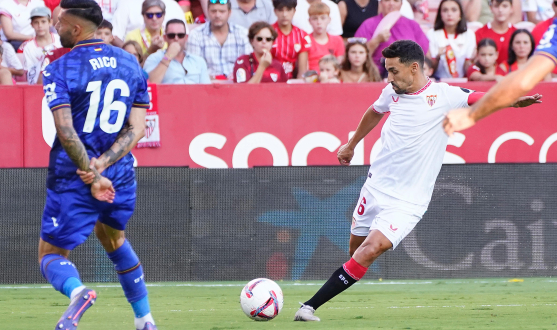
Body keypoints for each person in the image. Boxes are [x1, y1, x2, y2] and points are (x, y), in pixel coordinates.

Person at [293, 40, 541, 322]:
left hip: (409, 201)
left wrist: (513, 101)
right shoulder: (392, 91)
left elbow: (481, 97)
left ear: (414, 68)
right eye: (387, 71)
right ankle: (334, 285)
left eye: (394, 71)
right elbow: (375, 112)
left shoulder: (444, 95)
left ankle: (308, 307)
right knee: (356, 251)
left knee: (371, 250)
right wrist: (351, 145)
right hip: (375, 188)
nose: (390, 78)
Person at [40, 1, 157, 329]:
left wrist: (91, 173)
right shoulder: (132, 64)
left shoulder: (60, 68)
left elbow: (66, 131)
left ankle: (78, 293)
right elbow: (136, 129)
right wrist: (104, 165)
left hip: (74, 176)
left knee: (49, 255)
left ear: (76, 29)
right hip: (119, 173)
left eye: (61, 22)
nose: (56, 27)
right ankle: (145, 320)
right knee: (114, 239)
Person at [354, 0, 429, 76]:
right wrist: (376, 41)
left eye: (396, 1)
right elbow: (356, 54)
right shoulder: (369, 24)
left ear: (401, 4)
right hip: (376, 74)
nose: (391, 3)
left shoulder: (412, 25)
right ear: (381, 3)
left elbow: (425, 54)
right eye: (387, 0)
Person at [187, 0, 252, 79]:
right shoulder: (196, 35)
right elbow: (194, 69)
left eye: (222, 11)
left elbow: (249, 65)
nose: (217, 15)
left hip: (237, 83)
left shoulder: (242, 33)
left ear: (229, 13)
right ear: (208, 12)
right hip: (207, 85)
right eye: (213, 11)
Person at [145, 19, 211, 84]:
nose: (176, 38)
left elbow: (207, 89)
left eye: (180, 35)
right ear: (165, 38)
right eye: (171, 35)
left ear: (186, 37)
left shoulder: (198, 61)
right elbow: (150, 84)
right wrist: (168, 56)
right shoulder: (154, 58)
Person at [427, 0, 476, 79]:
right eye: (445, 10)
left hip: (463, 81)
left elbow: (468, 69)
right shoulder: (432, 34)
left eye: (454, 10)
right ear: (440, 14)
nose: (449, 14)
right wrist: (438, 57)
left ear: (460, 14)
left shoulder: (469, 34)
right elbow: (429, 68)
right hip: (438, 80)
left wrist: (470, 60)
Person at [111, 0, 186, 47]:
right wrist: (132, 52)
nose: (154, 18)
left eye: (159, 15)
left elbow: (185, 36)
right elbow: (114, 36)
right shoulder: (126, 3)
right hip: (136, 60)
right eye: (149, 15)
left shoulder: (173, 4)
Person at [20, 7, 62, 84]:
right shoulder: (28, 47)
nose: (40, 25)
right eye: (36, 22)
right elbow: (30, 75)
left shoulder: (60, 40)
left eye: (43, 21)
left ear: (50, 22)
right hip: (40, 84)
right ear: (31, 24)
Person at [271, 0, 310, 78]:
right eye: (280, 10)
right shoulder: (268, 33)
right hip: (271, 79)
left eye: (288, 10)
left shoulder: (302, 35)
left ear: (294, 11)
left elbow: (302, 70)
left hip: (293, 80)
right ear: (275, 11)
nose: (284, 14)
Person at [474, 0, 516, 65]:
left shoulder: (517, 34)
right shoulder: (480, 33)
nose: (500, 10)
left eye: (505, 6)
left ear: (511, 8)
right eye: (496, 6)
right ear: (491, 8)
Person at [307, 2, 344, 72]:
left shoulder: (338, 40)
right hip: (311, 79)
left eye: (323, 18)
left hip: (332, 79)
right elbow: (303, 69)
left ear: (329, 19)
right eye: (315, 19)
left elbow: (339, 65)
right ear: (309, 21)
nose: (319, 22)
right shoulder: (305, 40)